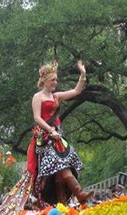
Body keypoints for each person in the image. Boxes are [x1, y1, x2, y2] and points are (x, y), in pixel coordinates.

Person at [27, 59, 92, 206]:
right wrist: (50, 130)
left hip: (58, 137)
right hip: (44, 138)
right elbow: (37, 117)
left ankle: (64, 202)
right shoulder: (38, 97)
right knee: (60, 166)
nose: (55, 82)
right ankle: (79, 194)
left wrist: (82, 74)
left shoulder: (56, 96)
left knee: (62, 167)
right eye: (53, 80)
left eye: (56, 79)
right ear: (44, 81)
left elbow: (76, 91)